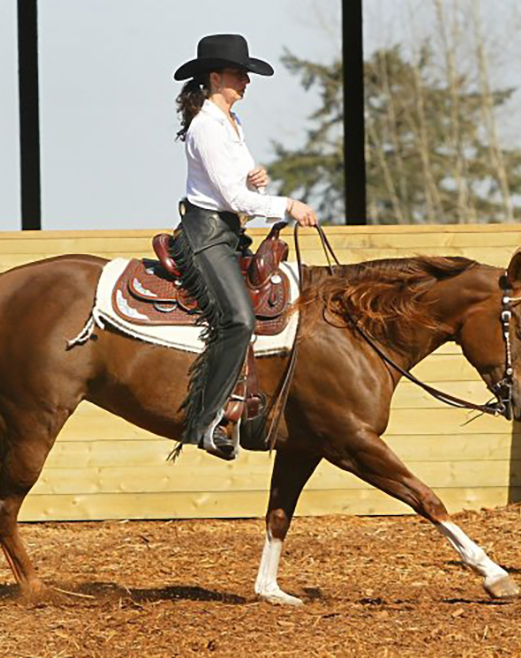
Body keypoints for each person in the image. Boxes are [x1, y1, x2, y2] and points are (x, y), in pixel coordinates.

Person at [171, 34, 318, 461]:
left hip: (229, 232)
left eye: (246, 75)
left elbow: (236, 192)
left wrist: (254, 180)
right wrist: (286, 204)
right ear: (215, 78)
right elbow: (233, 202)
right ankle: (204, 422)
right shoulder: (206, 127)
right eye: (239, 74)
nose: (246, 82)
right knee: (238, 320)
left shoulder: (233, 125)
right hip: (206, 237)